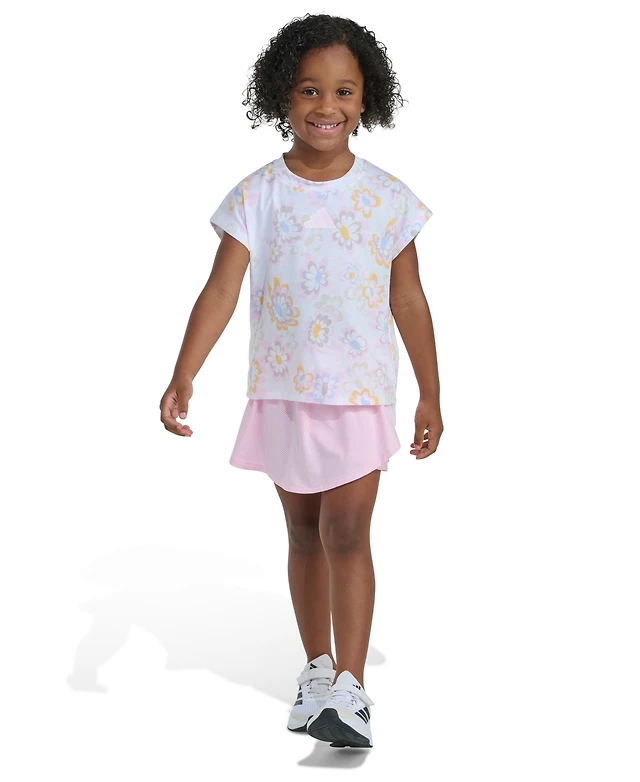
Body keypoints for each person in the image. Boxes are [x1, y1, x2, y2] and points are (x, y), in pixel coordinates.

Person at [159, 13, 443, 750]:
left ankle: (352, 689)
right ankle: (316, 670)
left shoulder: (388, 198)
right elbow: (221, 291)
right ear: (282, 95)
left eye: (344, 91)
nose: (326, 106)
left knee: (347, 532)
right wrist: (184, 372)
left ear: (366, 99)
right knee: (302, 532)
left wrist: (431, 392)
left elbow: (409, 300)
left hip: (358, 396)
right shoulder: (258, 194)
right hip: (282, 392)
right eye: (310, 89)